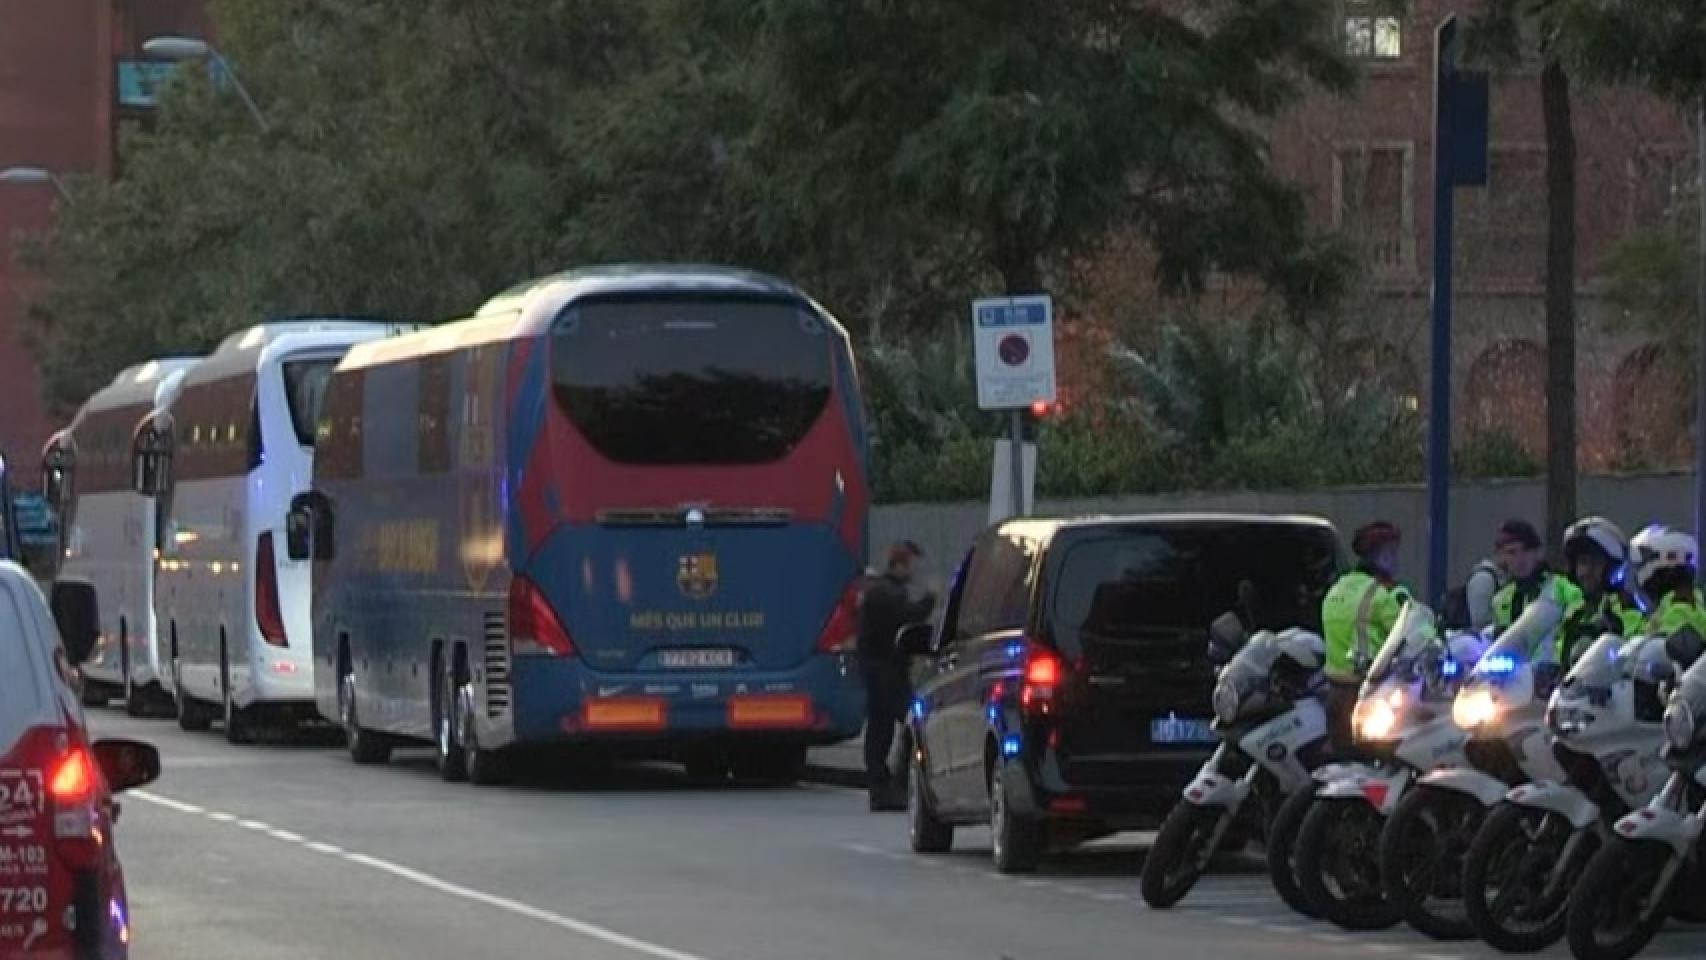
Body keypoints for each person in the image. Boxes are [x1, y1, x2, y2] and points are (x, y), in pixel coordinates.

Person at [857, 540, 937, 811]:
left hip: (881, 669)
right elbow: (909, 617)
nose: (914, 572)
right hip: (885, 670)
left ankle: (885, 785)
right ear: (899, 564)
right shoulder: (887, 594)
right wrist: (930, 598)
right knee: (909, 720)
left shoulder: (881, 591)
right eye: (911, 565)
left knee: (882, 726)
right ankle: (894, 782)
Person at [1321, 521, 1405, 751]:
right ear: (1383, 555)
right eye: (1394, 552)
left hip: (1334, 695)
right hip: (1368, 696)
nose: (1397, 560)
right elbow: (1411, 635)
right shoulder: (1378, 595)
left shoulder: (1337, 588)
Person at [1557, 517, 1642, 666]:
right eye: (1583, 562)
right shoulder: (1575, 614)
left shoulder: (1624, 607)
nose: (1586, 571)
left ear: (1612, 567)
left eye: (1596, 563)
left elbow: (1632, 653)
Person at [1628, 525, 1706, 664]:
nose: (1639, 572)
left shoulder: (1681, 607)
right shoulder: (1662, 608)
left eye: (1643, 563)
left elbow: (1659, 652)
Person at [1491, 519, 1583, 633]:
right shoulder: (1501, 599)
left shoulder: (1564, 588)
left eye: (1526, 550)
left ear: (1539, 552)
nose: (1520, 559)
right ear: (1503, 557)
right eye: (1511, 552)